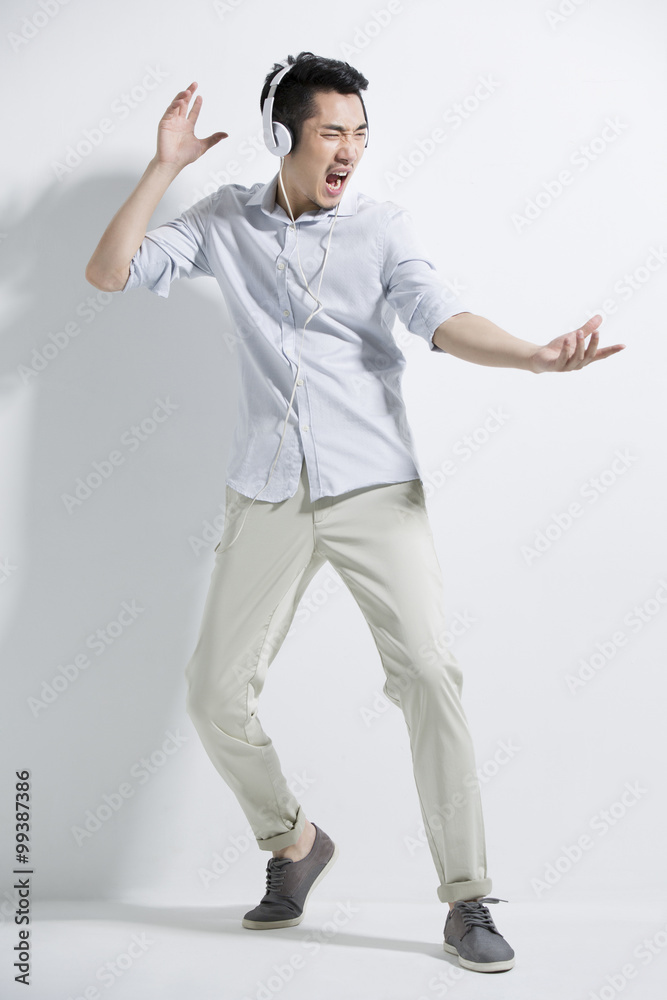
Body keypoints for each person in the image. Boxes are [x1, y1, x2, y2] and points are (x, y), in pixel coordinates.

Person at [85, 51, 625, 975]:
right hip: (268, 487)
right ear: (283, 135)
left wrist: (534, 356)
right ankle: (293, 842)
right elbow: (109, 273)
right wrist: (164, 167)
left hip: (375, 485)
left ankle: (466, 899)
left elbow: (440, 315)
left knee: (427, 673)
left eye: (360, 134)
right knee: (214, 695)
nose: (350, 151)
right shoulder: (224, 222)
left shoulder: (382, 229)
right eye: (332, 131)